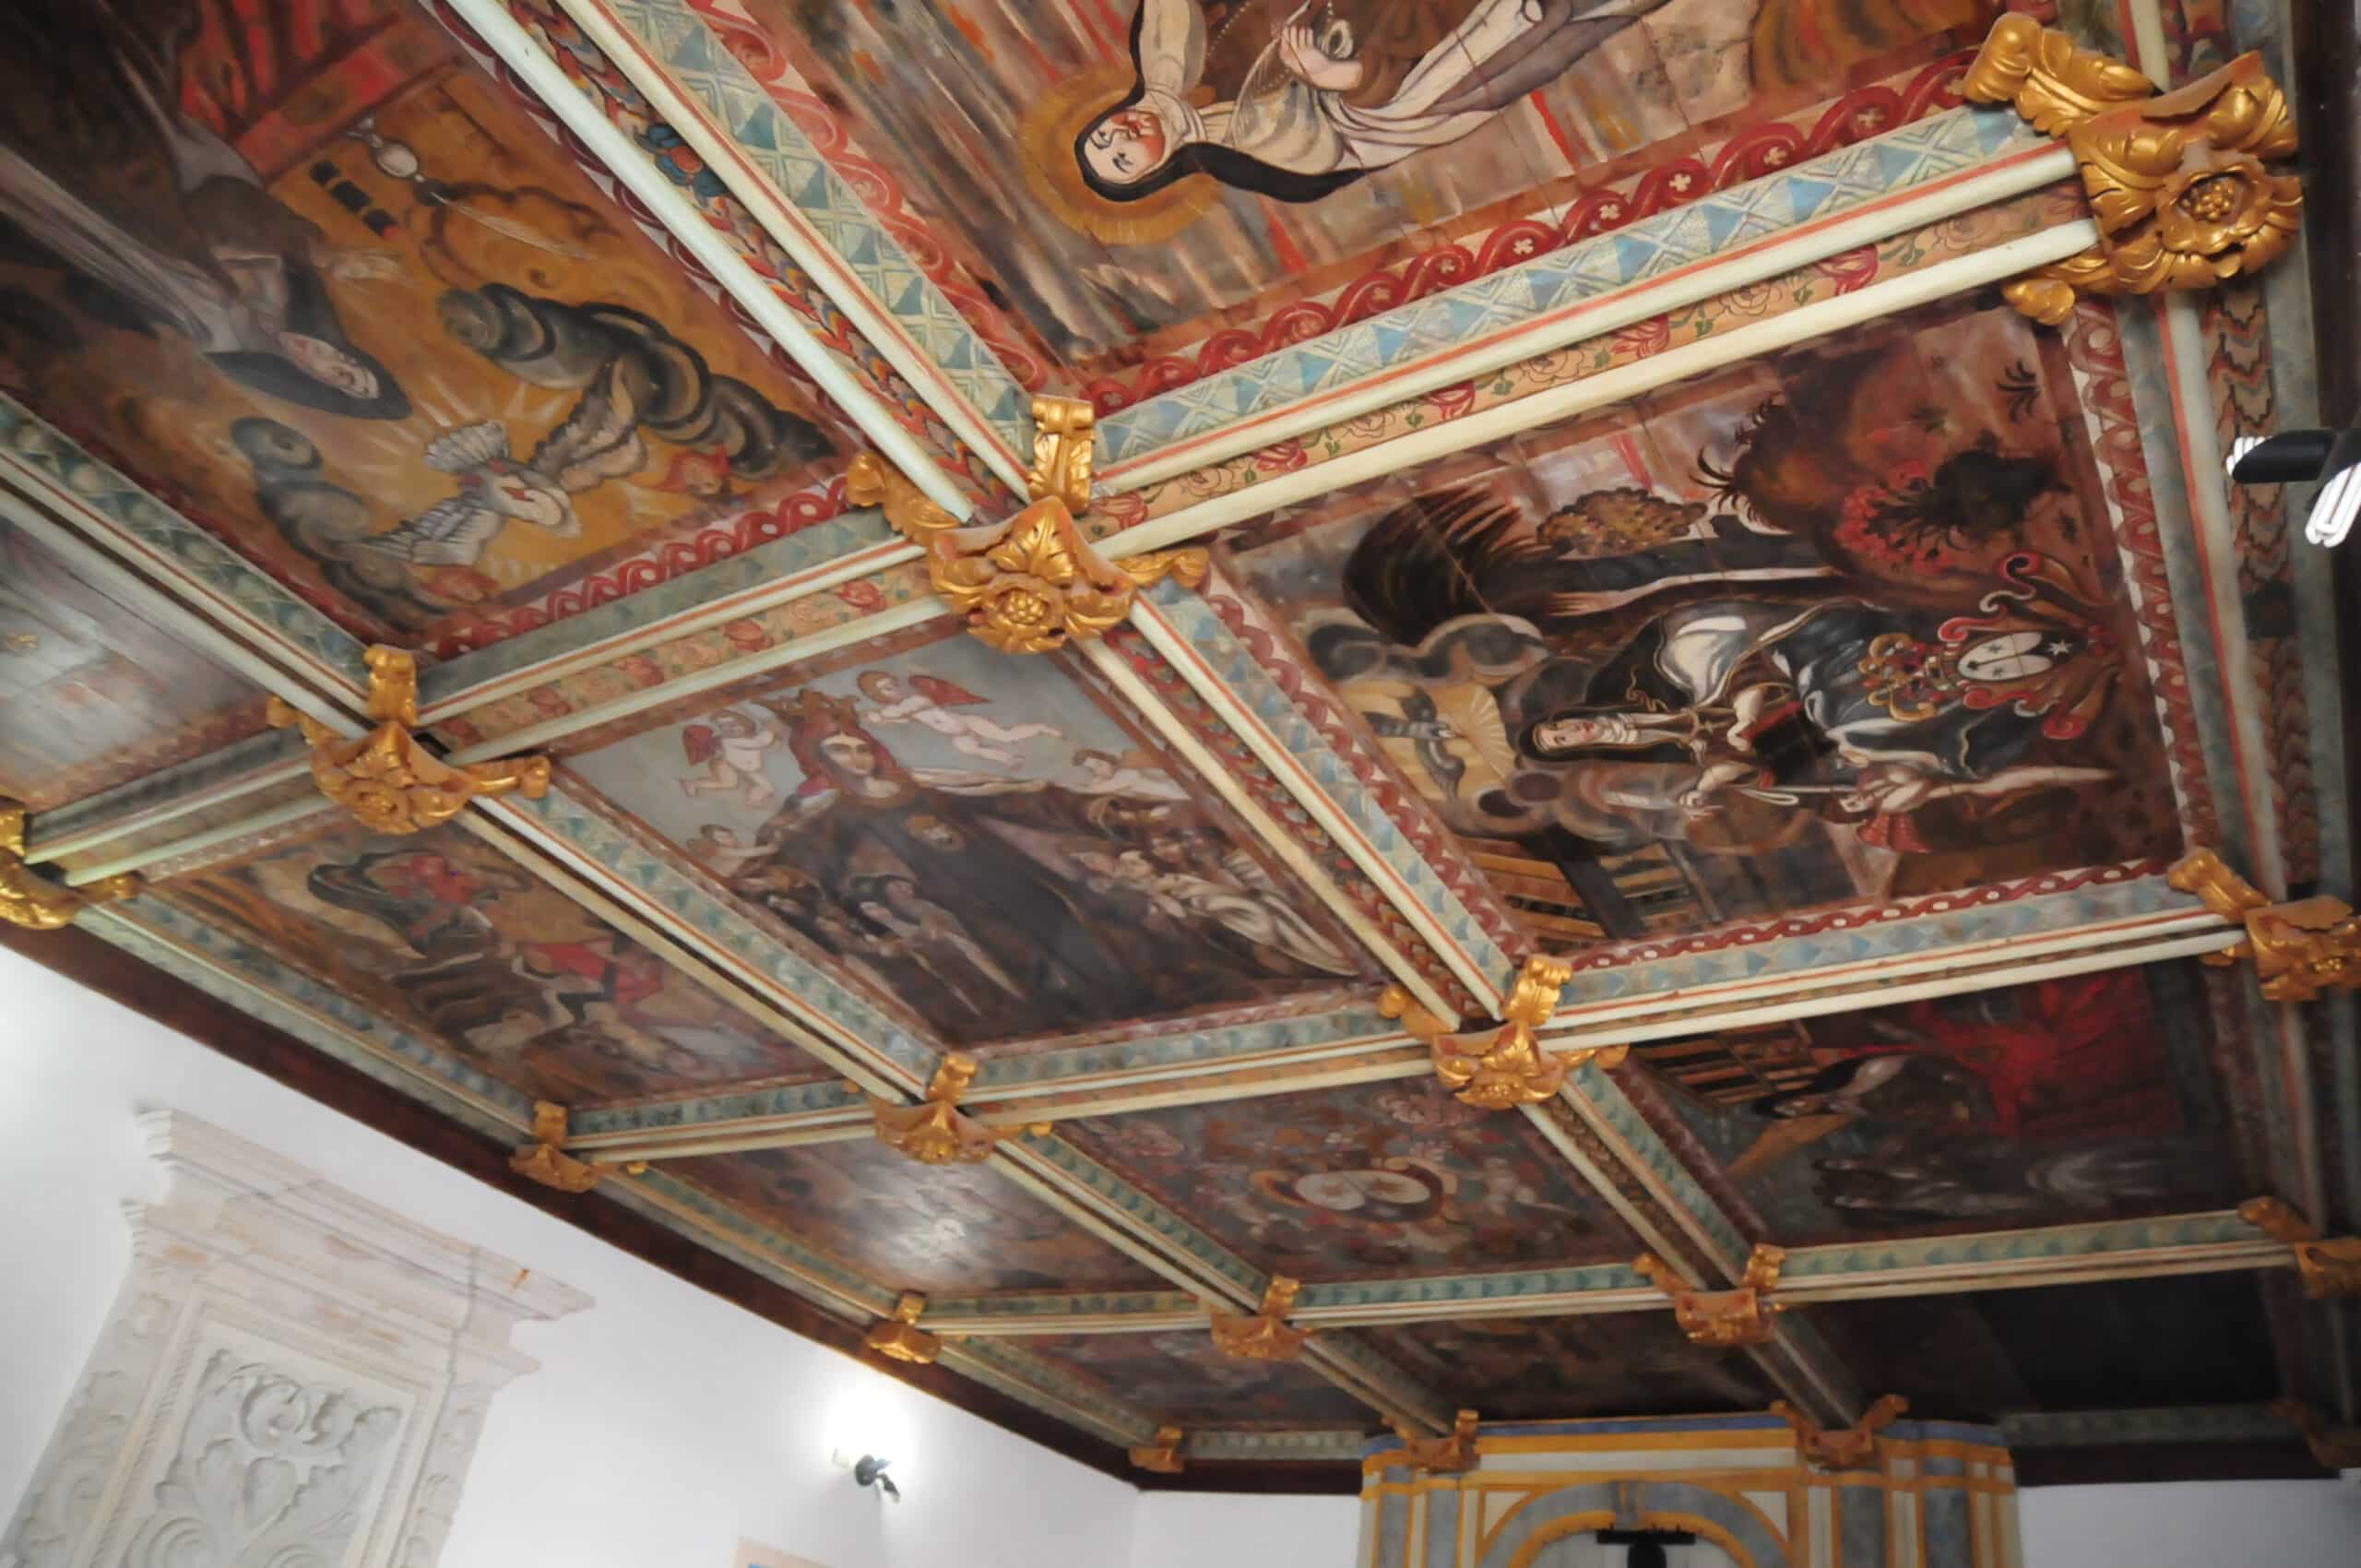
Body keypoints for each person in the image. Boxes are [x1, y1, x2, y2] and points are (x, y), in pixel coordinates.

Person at [0, 0, 409, 420]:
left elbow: (91, 294)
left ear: (317, 387)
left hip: (86, 212)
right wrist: (319, 252)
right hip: (148, 167)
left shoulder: (215, 342)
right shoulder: (283, 281)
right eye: (350, 360)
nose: (332, 359)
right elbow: (218, 199)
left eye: (342, 379)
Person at [1074, 0, 1669, 206]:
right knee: (1399, 103)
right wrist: (1333, 75)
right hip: (1382, 42)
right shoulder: (1243, 147)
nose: (1121, 136)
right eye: (1123, 159)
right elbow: (1343, 138)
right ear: (1155, 169)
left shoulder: (1161, 44)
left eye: (1104, 134)